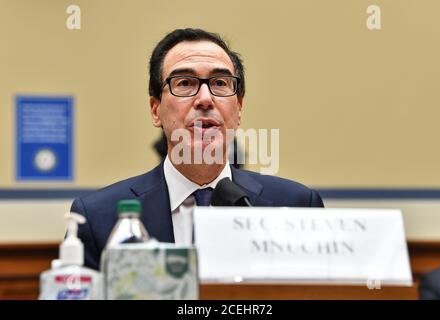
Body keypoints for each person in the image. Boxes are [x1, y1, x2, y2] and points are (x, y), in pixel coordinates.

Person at [71, 28, 324, 270]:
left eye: (220, 83)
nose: (205, 99)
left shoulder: (296, 207)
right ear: (155, 109)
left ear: (239, 109)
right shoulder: (97, 217)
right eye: (184, 83)